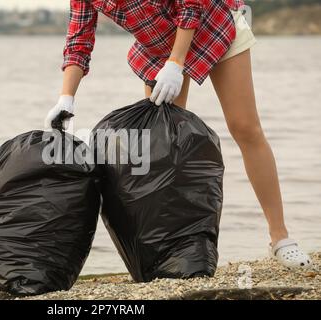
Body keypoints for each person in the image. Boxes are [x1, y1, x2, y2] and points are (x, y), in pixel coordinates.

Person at [45, 0, 311, 269]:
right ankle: (174, 249)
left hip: (212, 25)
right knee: (163, 148)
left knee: (244, 126)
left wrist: (176, 64)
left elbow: (191, 4)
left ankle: (280, 239)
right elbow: (79, 41)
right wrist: (66, 98)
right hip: (159, 48)